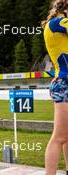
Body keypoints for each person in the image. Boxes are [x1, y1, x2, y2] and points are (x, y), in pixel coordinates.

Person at [42, 0, 68, 174]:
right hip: (64, 84)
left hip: (63, 83)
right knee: (59, 137)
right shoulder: (57, 23)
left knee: (67, 137)